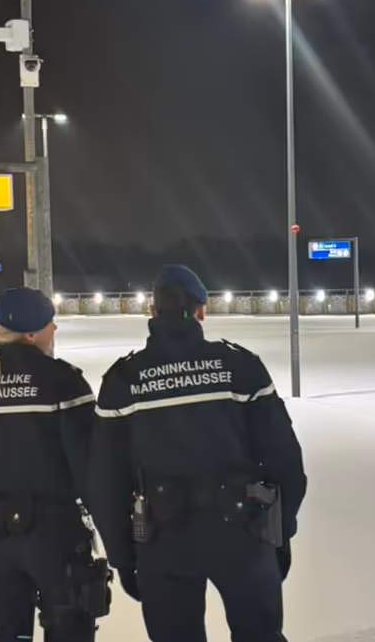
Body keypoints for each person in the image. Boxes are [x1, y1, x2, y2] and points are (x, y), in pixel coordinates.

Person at [88, 265, 307, 642]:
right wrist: (279, 533)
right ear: (201, 310)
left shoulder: (123, 381)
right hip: (243, 533)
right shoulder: (241, 367)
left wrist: (124, 558)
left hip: (162, 540)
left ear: (153, 312)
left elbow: (104, 484)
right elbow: (286, 462)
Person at [0, 287, 110, 642]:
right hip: (56, 538)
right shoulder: (63, 382)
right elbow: (91, 467)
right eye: (50, 323)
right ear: (31, 333)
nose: (54, 330)